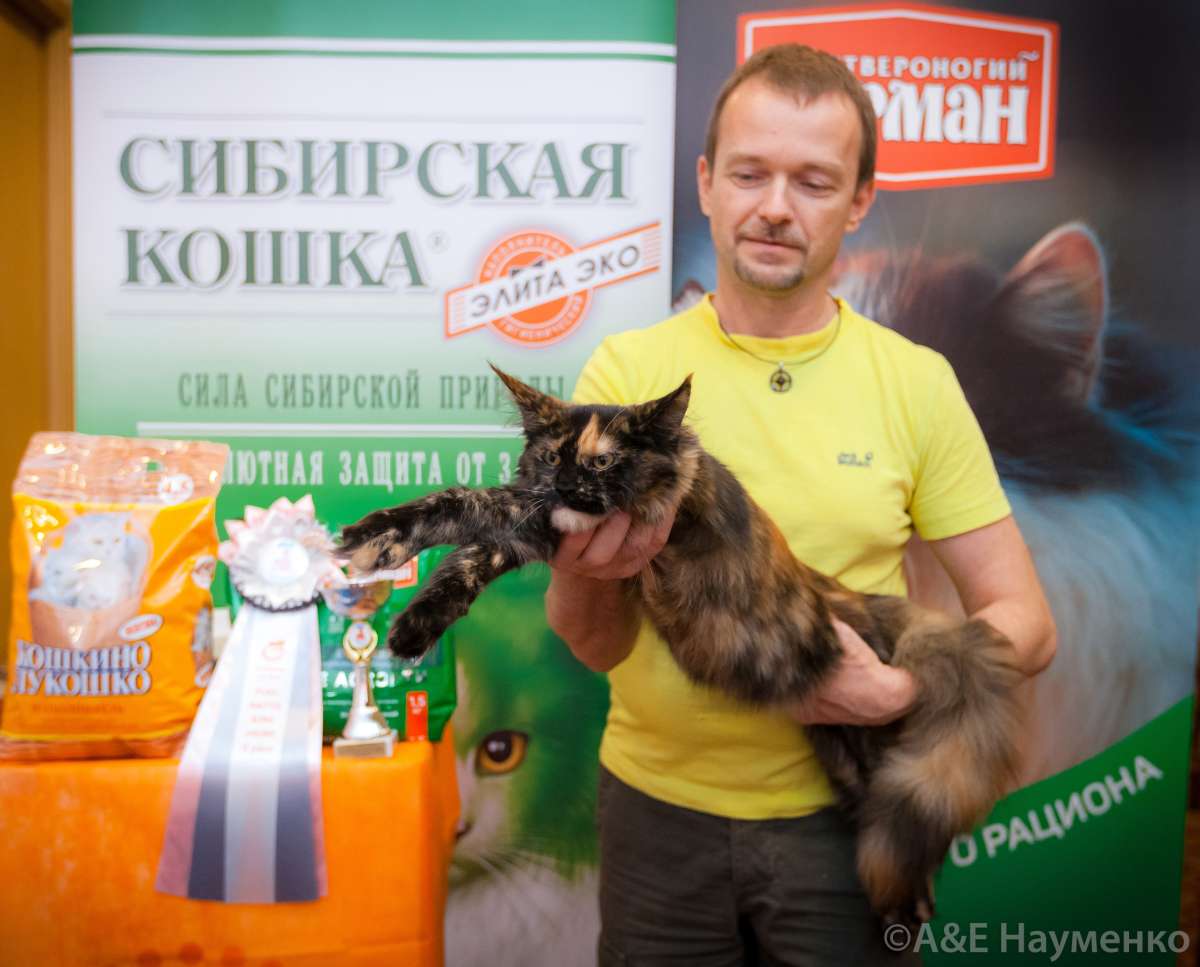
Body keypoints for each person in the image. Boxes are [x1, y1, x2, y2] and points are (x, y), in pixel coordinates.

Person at [545, 44, 1057, 966]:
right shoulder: (628, 376)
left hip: (845, 823)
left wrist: (898, 691)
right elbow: (595, 644)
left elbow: (1027, 621)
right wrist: (584, 576)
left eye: (814, 181)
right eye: (750, 174)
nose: (776, 207)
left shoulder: (916, 383)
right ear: (706, 184)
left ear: (859, 201)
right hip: (657, 825)